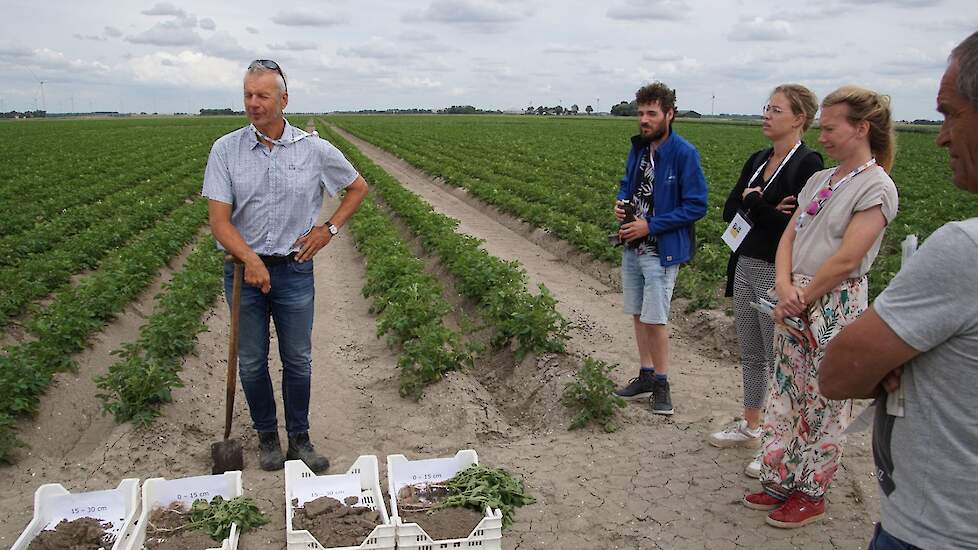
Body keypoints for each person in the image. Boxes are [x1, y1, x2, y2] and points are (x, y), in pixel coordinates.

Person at [820, 32, 978, 549]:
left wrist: (902, 360)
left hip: (938, 528)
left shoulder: (964, 250)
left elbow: (841, 370)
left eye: (951, 114)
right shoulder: (824, 179)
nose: (942, 136)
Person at [742, 85, 899, 528]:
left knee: (825, 397)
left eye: (830, 128)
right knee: (786, 390)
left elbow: (849, 258)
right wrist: (784, 283)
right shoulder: (820, 179)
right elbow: (790, 235)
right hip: (794, 294)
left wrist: (802, 297)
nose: (823, 136)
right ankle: (778, 477)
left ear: (861, 128)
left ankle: (811, 490)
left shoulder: (877, 187)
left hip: (834, 301)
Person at [202, 60, 369, 472]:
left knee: (298, 359)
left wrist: (327, 229)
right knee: (253, 360)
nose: (253, 104)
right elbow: (219, 222)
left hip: (294, 270)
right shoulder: (226, 150)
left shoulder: (312, 149)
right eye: (248, 95)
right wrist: (251, 259)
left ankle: (300, 438)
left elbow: (357, 186)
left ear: (283, 99)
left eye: (262, 95)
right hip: (243, 273)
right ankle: (266, 438)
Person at [712, 85, 824, 478]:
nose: (766, 115)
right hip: (743, 263)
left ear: (799, 118)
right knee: (752, 352)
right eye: (766, 108)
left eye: (775, 110)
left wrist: (755, 203)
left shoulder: (808, 163)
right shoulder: (759, 159)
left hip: (776, 272)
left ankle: (778, 443)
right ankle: (751, 425)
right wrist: (762, 206)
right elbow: (730, 209)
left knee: (781, 359)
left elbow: (795, 227)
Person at [612, 82, 708, 415]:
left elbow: (697, 206)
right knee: (639, 313)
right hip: (633, 246)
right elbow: (628, 185)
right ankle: (646, 374)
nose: (644, 119)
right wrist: (622, 203)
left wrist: (650, 225)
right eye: (641, 113)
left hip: (661, 250)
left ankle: (663, 386)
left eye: (651, 113)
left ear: (670, 114)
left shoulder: (684, 153)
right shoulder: (639, 149)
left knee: (656, 318)